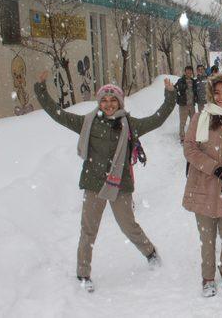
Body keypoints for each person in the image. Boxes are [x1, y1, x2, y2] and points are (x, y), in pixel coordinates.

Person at [34, 71, 176, 292]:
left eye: (113, 100)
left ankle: (150, 253)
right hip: (93, 184)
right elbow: (57, 114)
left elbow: (158, 119)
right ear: (99, 102)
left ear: (119, 102)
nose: (109, 104)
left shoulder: (129, 124)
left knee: (129, 226)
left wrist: (170, 95)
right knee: (88, 230)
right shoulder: (87, 123)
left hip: (120, 185)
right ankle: (83, 274)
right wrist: (41, 89)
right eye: (104, 100)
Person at [183, 74, 222, 297]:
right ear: (211, 94)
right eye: (216, 92)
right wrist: (216, 168)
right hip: (203, 185)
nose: (221, 97)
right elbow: (190, 149)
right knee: (207, 239)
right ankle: (208, 277)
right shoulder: (200, 117)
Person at [175, 66, 199, 143]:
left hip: (191, 105)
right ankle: (182, 137)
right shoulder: (180, 80)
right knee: (183, 122)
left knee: (193, 121)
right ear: (185, 72)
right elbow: (177, 89)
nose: (189, 73)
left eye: (190, 72)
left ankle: (193, 137)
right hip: (183, 105)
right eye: (187, 72)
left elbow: (195, 92)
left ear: (192, 72)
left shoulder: (193, 81)